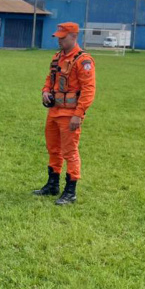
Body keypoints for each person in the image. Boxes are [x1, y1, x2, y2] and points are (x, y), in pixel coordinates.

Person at [33, 22, 96, 205]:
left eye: (63, 37)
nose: (59, 40)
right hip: (53, 112)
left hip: (70, 115)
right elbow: (49, 79)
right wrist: (45, 91)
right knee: (53, 149)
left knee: (70, 152)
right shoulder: (57, 57)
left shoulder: (83, 61)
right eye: (58, 37)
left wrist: (79, 114)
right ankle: (52, 185)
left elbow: (88, 90)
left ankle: (71, 191)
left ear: (74, 36)